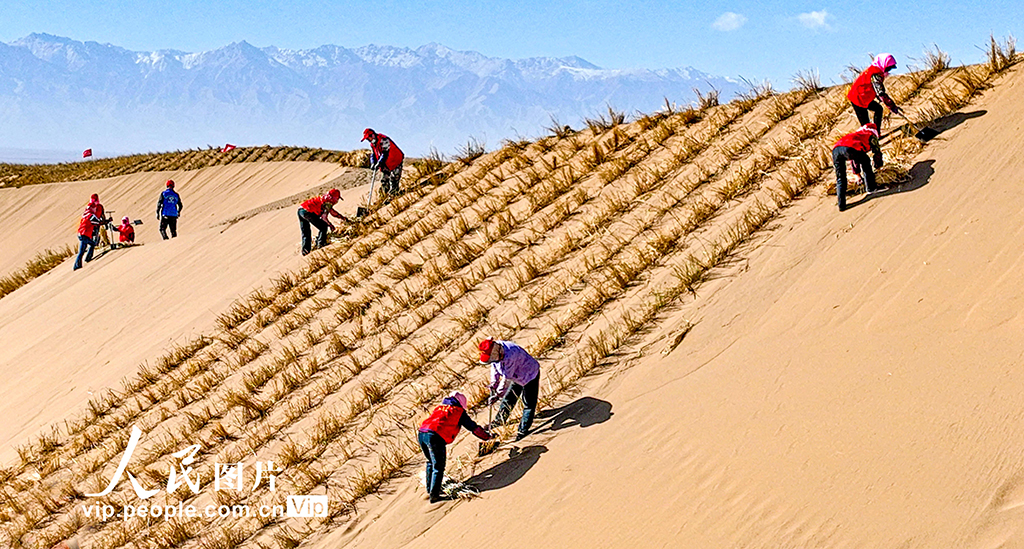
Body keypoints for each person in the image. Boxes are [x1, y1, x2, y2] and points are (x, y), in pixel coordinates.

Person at [418, 391, 492, 503]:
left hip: (422, 433)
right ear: (461, 403)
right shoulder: (458, 411)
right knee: (438, 465)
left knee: (430, 462)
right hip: (435, 436)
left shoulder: (440, 408)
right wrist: (487, 437)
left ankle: (430, 489)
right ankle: (434, 495)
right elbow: (473, 428)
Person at [480, 337, 541, 441]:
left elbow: (506, 378)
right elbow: (494, 367)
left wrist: (497, 395)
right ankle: (499, 420)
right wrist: (493, 384)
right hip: (516, 377)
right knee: (508, 399)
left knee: (529, 404)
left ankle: (523, 430)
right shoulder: (496, 350)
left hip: (529, 376)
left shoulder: (510, 354)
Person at [833, 122, 883, 211]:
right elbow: (877, 153)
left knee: (840, 178)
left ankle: (841, 205)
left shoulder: (857, 135)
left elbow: (854, 159)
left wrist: (857, 174)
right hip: (850, 148)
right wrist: (878, 165)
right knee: (866, 162)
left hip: (836, 150)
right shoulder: (871, 135)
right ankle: (871, 188)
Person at [848, 54, 903, 129]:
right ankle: (872, 137)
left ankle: (876, 132)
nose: (888, 71)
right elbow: (880, 92)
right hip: (858, 98)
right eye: (887, 69)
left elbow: (873, 88)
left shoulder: (876, 72)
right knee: (866, 125)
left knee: (878, 109)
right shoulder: (875, 74)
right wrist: (891, 105)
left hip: (865, 97)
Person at [297, 188, 344, 255]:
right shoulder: (327, 203)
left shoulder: (324, 199)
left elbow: (332, 212)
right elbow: (324, 217)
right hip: (308, 211)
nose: (336, 201)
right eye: (337, 199)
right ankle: (321, 244)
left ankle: (305, 250)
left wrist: (341, 217)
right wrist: (330, 225)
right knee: (323, 227)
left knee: (305, 231)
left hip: (300, 210)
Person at [361, 128, 405, 200]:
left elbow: (385, 153)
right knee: (384, 180)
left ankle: (393, 194)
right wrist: (372, 162)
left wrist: (379, 163)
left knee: (394, 178)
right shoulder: (373, 144)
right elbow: (374, 154)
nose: (368, 140)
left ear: (372, 135)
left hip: (395, 160)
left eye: (368, 138)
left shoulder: (383, 140)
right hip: (386, 164)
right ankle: (384, 196)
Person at [74, 196, 104, 270]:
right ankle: (77, 265)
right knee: (82, 251)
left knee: (88, 246)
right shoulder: (90, 215)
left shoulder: (86, 214)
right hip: (84, 234)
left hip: (83, 234)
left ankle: (81, 262)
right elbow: (97, 222)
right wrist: (106, 221)